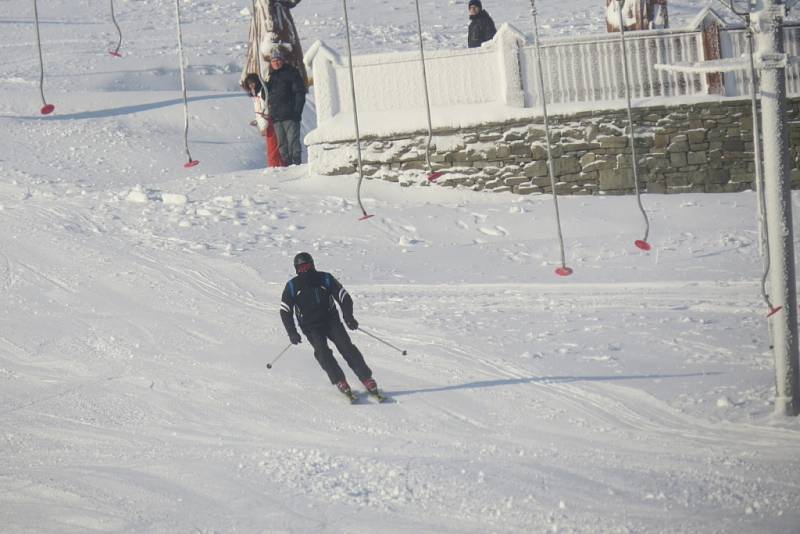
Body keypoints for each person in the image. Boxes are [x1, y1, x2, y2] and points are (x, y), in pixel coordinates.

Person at [280, 252, 381, 398]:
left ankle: (366, 378)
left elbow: (344, 297)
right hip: (311, 327)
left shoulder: (325, 278)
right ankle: (340, 380)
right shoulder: (292, 286)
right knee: (322, 352)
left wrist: (348, 316)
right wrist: (292, 332)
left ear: (313, 265)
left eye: (308, 266)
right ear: (297, 270)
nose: (306, 270)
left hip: (331, 321)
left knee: (347, 347)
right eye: (302, 268)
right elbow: (285, 311)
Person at [266, 49, 306, 165]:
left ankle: (296, 163)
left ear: (282, 60)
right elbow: (266, 94)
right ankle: (286, 165)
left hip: (290, 115)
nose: (276, 63)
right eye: (273, 61)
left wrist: (297, 112)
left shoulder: (291, 73)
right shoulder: (272, 76)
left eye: (278, 60)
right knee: (282, 144)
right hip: (277, 117)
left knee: (293, 142)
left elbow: (299, 93)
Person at [243, 73, 284, 167]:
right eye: (249, 84)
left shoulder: (263, 92)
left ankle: (276, 166)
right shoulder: (256, 94)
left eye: (253, 83)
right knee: (271, 146)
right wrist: (257, 120)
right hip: (264, 122)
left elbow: (267, 107)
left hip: (270, 121)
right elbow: (259, 109)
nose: (251, 85)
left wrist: (266, 118)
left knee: (273, 146)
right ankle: (274, 165)